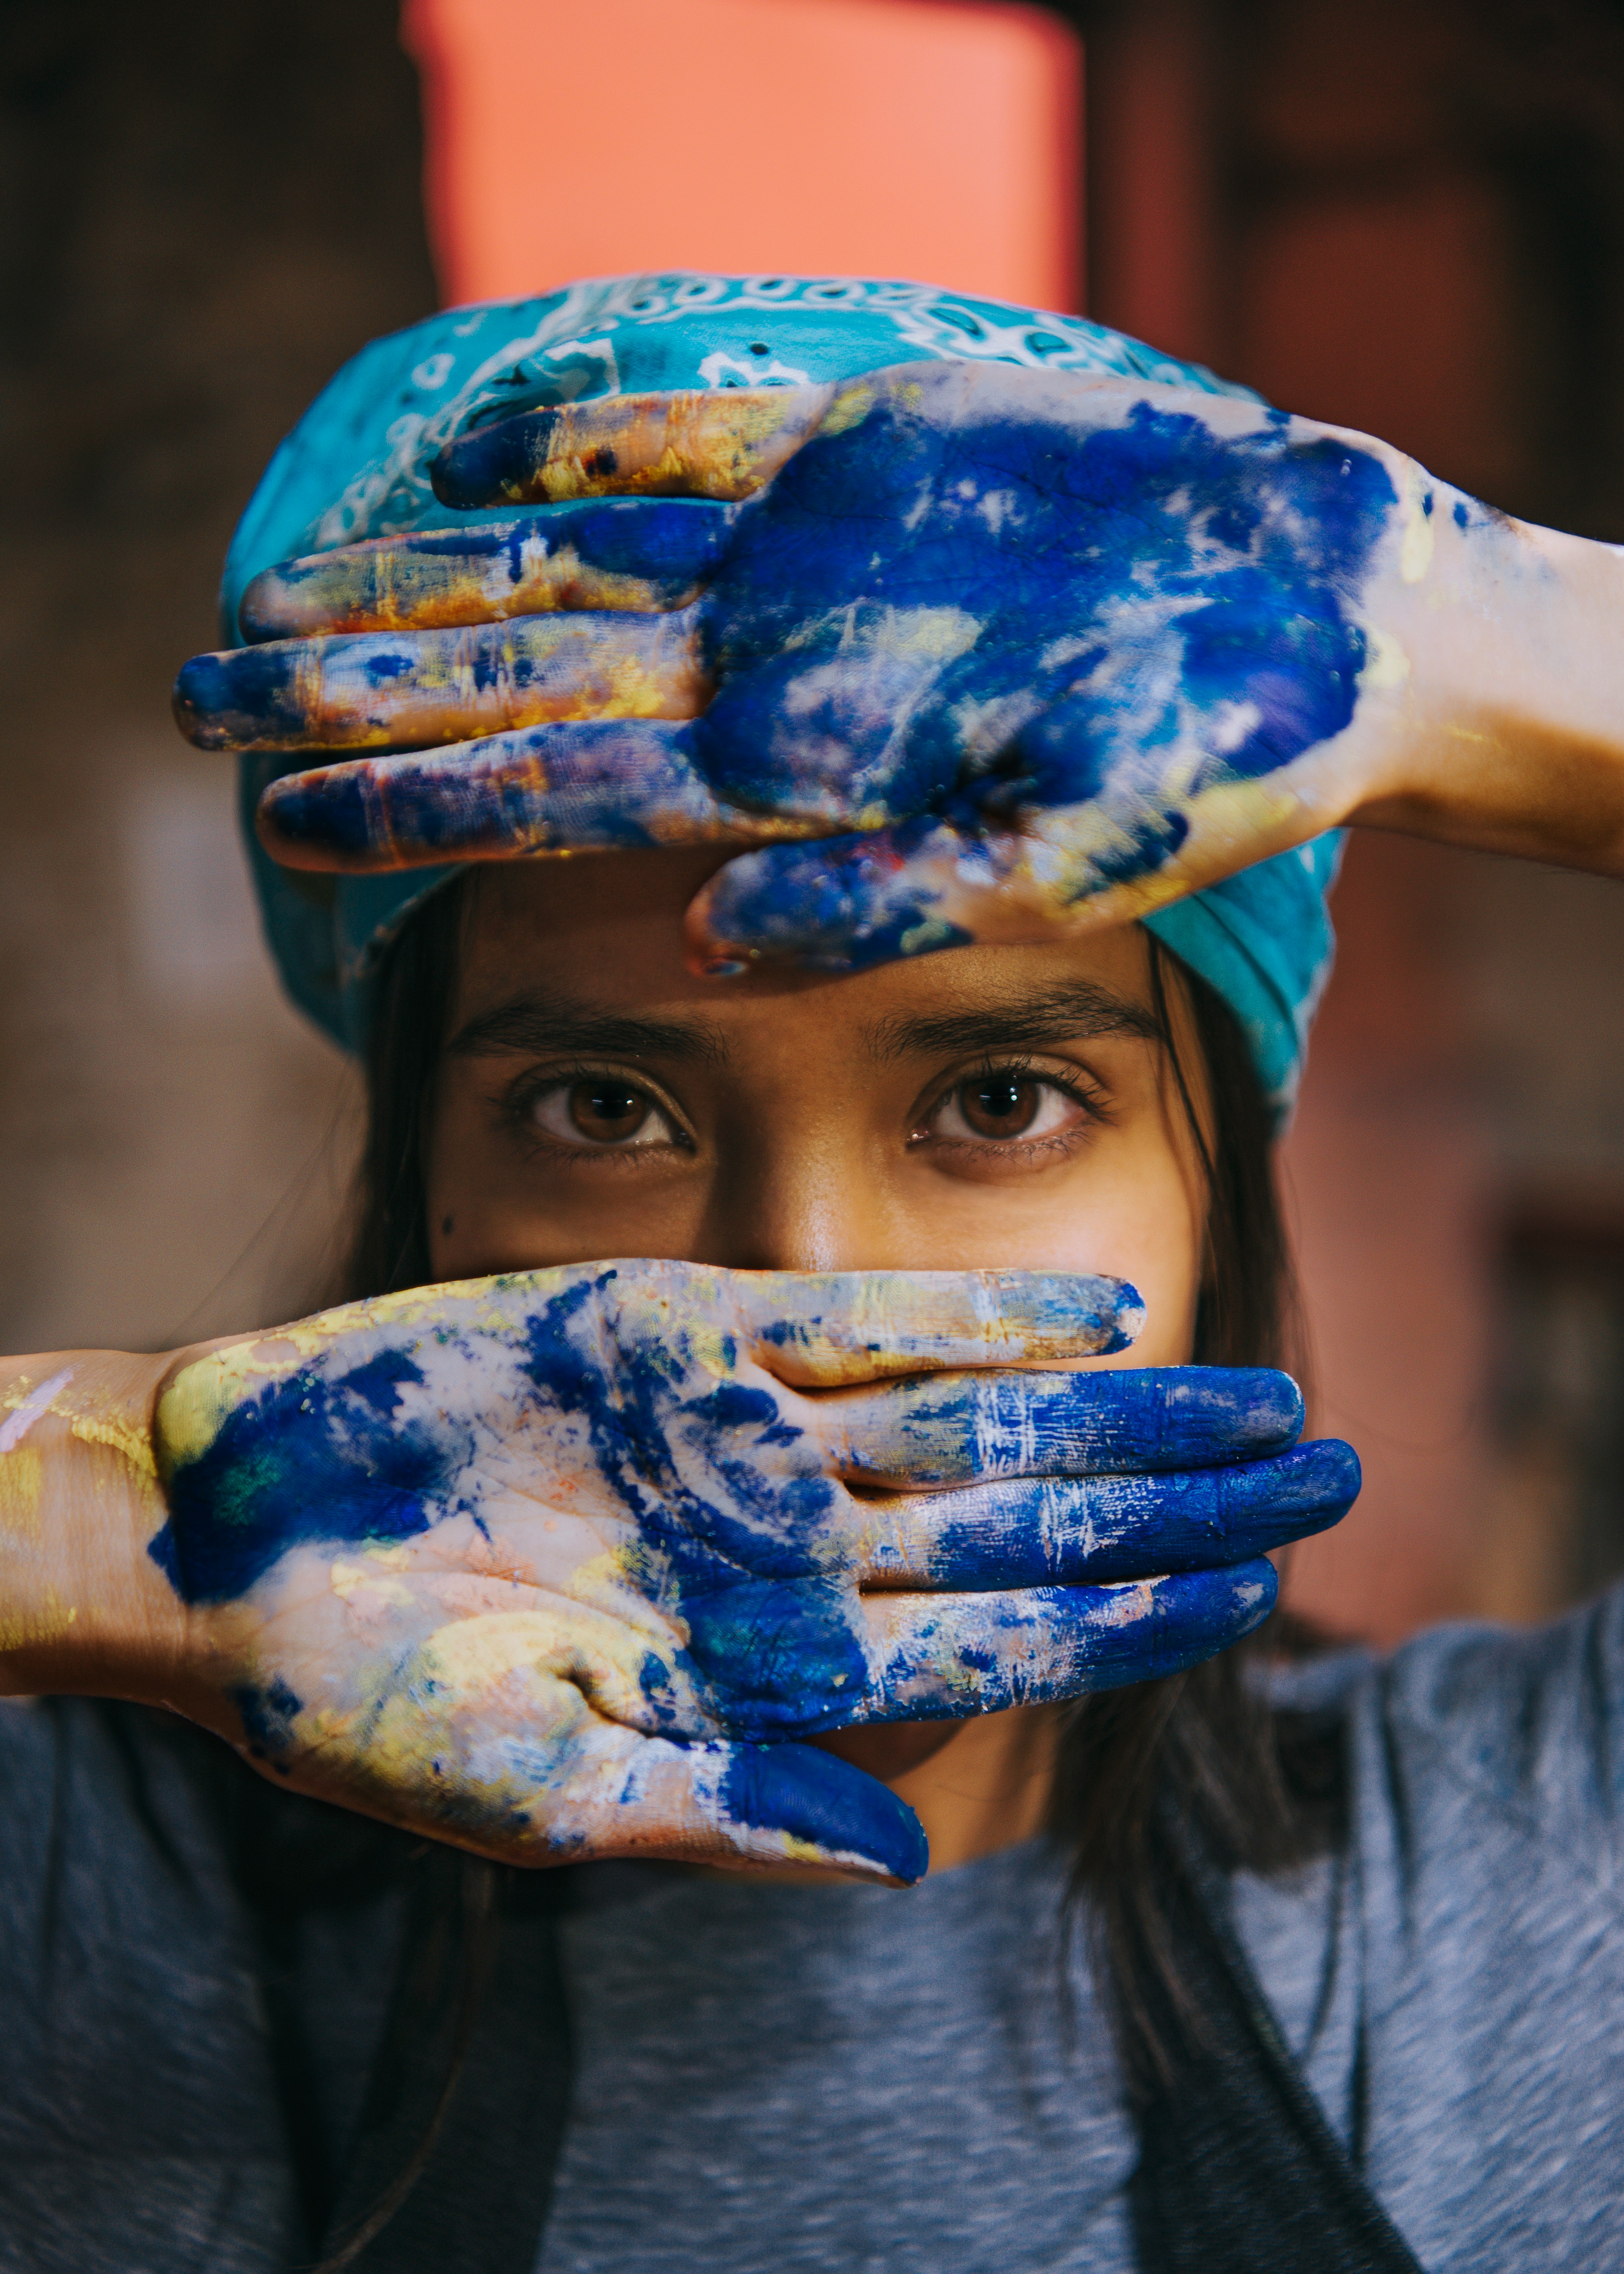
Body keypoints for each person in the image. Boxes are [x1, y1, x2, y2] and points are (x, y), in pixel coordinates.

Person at [3, 273, 1623, 2274]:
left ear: (1229, 1166)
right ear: (419, 1155)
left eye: (1003, 1097)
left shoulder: (1544, 1880)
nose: (801, 1300)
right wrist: (96, 1509)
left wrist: (1474, 648)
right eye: (606, 1111)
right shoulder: (88, 1896)